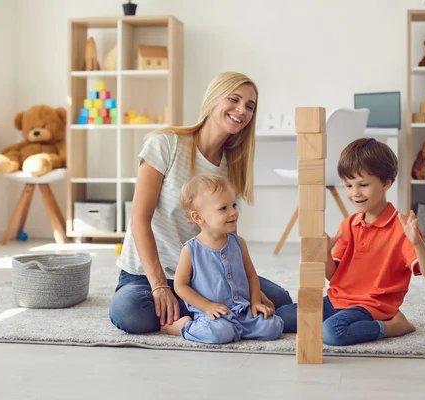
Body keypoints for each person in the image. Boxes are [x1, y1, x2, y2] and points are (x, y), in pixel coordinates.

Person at [109, 72, 293, 334]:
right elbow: (139, 219)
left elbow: (228, 234)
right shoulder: (166, 144)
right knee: (129, 311)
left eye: (250, 106)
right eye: (234, 99)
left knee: (280, 301)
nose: (242, 110)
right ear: (214, 99)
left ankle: (199, 316)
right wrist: (160, 285)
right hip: (147, 276)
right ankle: (187, 320)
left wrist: (249, 292)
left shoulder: (232, 167)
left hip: (206, 278)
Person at [276, 138, 425, 346]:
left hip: (372, 305)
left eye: (363, 185)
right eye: (348, 185)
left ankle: (393, 326)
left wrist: (417, 243)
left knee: (332, 333)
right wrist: (324, 253)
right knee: (282, 317)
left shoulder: (402, 227)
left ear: (386, 183)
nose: (355, 193)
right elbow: (332, 275)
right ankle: (332, 319)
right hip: (337, 300)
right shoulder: (348, 225)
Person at [160, 173, 284, 343]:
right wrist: (206, 306)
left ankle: (238, 329)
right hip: (214, 316)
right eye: (223, 208)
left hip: (243, 311)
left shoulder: (239, 243)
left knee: (273, 327)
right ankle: (183, 326)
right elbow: (180, 286)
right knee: (220, 333)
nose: (233, 212)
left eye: (233, 205)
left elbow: (251, 275)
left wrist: (255, 302)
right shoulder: (191, 250)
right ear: (198, 217)